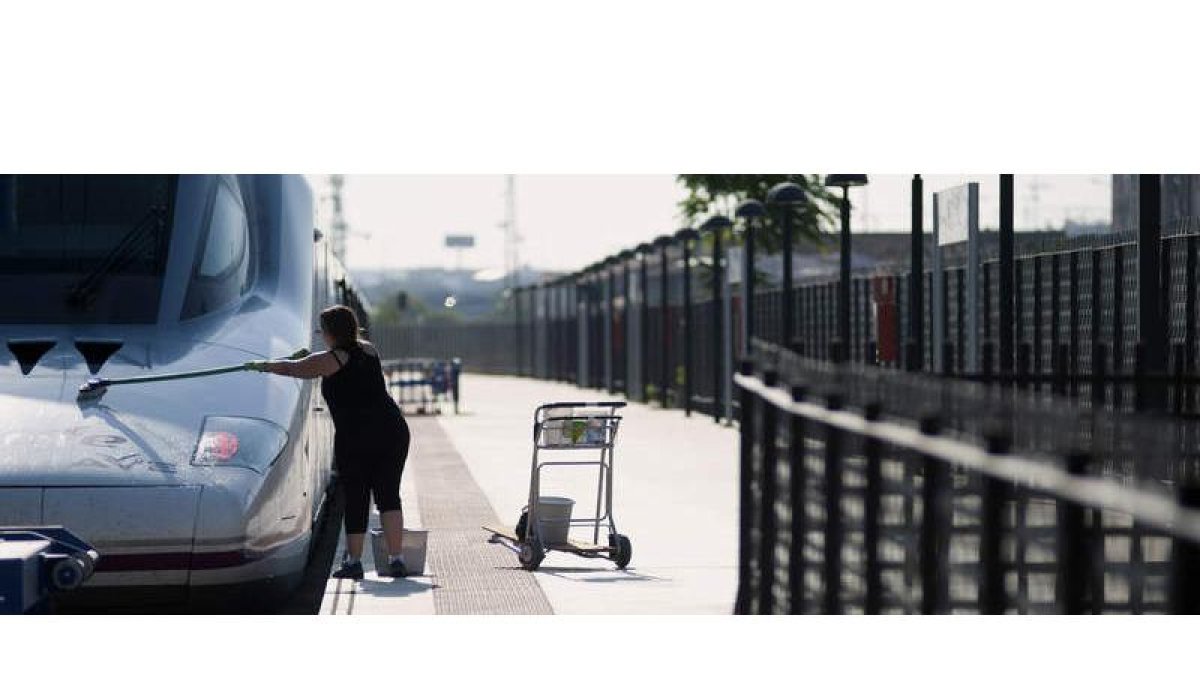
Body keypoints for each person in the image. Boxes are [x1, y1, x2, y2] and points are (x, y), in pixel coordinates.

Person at [245, 305, 411, 579]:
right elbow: (327, 362)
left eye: (322, 329)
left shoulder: (332, 359)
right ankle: (396, 559)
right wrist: (310, 358)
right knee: (389, 496)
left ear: (331, 332)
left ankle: (354, 563)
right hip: (392, 430)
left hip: (357, 437)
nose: (320, 334)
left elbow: (292, 369)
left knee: (357, 498)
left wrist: (262, 366)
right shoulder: (369, 350)